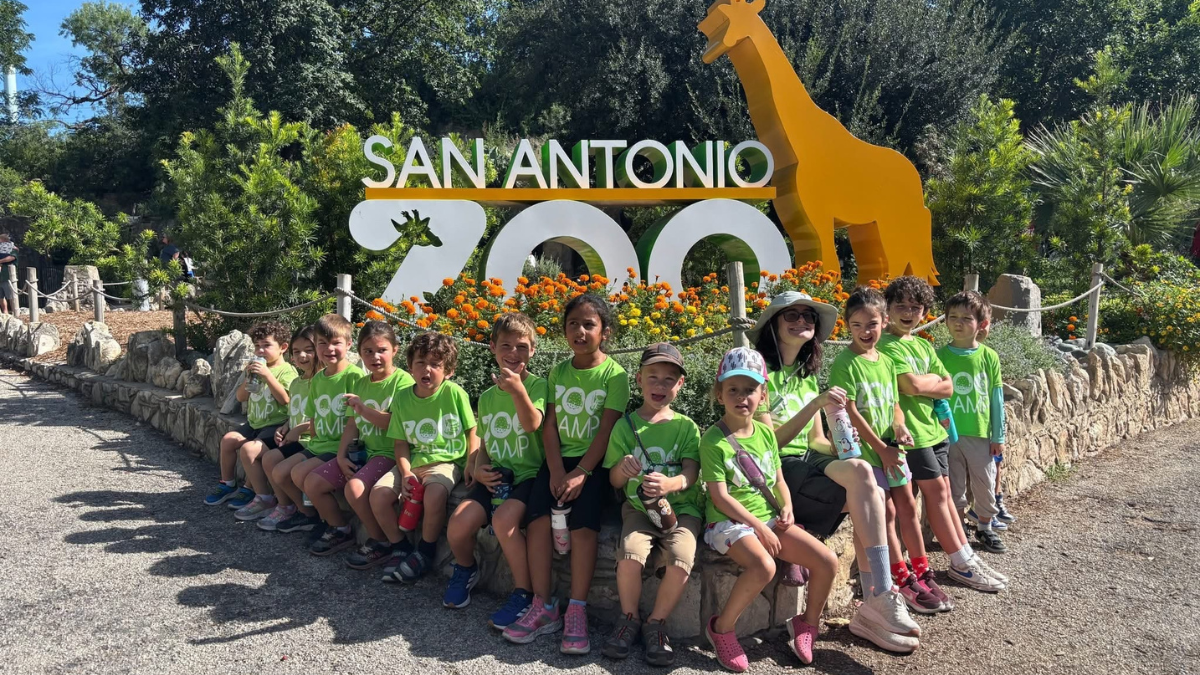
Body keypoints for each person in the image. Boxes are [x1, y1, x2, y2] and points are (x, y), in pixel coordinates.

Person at [749, 292, 920, 652]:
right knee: (866, 493)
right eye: (790, 315)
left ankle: (879, 591)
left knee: (864, 474)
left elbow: (817, 442)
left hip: (807, 460)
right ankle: (877, 597)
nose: (801, 321)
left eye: (808, 316)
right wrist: (816, 403)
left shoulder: (807, 375)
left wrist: (847, 447)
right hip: (776, 467)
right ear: (774, 324)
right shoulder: (760, 373)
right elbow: (771, 443)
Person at [503, 294, 629, 655]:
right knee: (538, 519)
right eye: (573, 323)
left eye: (589, 324)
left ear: (604, 332)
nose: (580, 330)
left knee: (584, 528)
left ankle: (577, 609)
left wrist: (581, 473)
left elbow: (606, 432)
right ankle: (544, 606)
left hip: (595, 466)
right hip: (558, 461)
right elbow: (550, 426)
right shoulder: (558, 371)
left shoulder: (614, 375)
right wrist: (557, 469)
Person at [701, 347, 838, 671]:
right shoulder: (713, 440)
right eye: (733, 389)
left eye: (750, 390)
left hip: (767, 517)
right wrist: (761, 528)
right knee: (764, 566)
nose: (742, 397)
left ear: (763, 395)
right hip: (727, 523)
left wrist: (787, 507)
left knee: (827, 561)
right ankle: (721, 629)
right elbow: (720, 498)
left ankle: (806, 623)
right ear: (719, 393)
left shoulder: (764, 433)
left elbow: (777, 480)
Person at [828, 287, 948, 627]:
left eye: (872, 324)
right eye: (857, 325)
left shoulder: (886, 360)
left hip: (893, 450)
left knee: (909, 505)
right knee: (886, 514)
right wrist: (880, 448)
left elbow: (894, 403)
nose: (866, 332)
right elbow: (849, 410)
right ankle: (898, 577)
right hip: (869, 455)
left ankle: (921, 570)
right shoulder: (845, 363)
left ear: (884, 322)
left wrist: (899, 427)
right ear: (847, 327)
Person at [880, 277, 1007, 595]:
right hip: (912, 435)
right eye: (901, 306)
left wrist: (928, 383)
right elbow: (911, 386)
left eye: (916, 306)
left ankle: (965, 557)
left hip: (934, 431)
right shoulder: (885, 345)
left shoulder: (922, 345)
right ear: (888, 309)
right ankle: (961, 562)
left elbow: (947, 386)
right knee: (937, 497)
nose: (909, 313)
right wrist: (929, 383)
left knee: (946, 498)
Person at [601, 342, 703, 667]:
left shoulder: (686, 427)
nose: (660, 385)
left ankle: (655, 624)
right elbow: (614, 481)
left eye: (669, 379)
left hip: (682, 510)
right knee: (630, 553)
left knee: (682, 556)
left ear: (680, 384)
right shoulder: (625, 426)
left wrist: (670, 484)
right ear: (638, 379)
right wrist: (623, 468)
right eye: (653, 377)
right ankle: (628, 618)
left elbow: (692, 472)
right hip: (639, 510)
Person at [443, 313, 545, 624]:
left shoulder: (539, 386)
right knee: (458, 524)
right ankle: (465, 568)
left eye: (522, 347)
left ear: (533, 351)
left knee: (503, 521)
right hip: (496, 477)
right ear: (492, 347)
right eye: (506, 346)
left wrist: (517, 390)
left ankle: (523, 593)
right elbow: (486, 440)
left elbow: (532, 424)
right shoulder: (487, 397)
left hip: (529, 476)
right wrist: (481, 466)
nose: (514, 353)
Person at [302, 321, 413, 560]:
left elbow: (396, 425)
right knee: (312, 483)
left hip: (389, 453)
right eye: (368, 351)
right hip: (364, 452)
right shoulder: (362, 383)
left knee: (354, 488)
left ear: (395, 350)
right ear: (359, 352)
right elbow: (352, 425)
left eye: (382, 350)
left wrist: (363, 410)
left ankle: (386, 542)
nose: (375, 357)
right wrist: (341, 456)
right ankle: (340, 529)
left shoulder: (403, 382)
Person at [384, 332, 478, 582]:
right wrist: (405, 473)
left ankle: (424, 551)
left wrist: (471, 461)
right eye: (420, 362)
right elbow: (401, 442)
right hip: (413, 462)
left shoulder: (454, 393)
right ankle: (399, 546)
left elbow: (473, 430)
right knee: (377, 494)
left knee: (435, 494)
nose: (427, 369)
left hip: (446, 461)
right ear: (410, 366)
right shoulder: (403, 397)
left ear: (448, 370)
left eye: (435, 364)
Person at [272, 314, 364, 535]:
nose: (329, 349)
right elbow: (313, 417)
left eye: (336, 343)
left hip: (338, 447)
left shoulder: (355, 377)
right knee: (280, 473)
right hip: (318, 444)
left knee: (300, 474)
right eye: (323, 343)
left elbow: (355, 422)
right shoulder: (319, 378)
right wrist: (309, 440)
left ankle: (335, 525)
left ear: (349, 344)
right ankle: (311, 516)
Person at [938, 291, 1010, 556]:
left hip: (980, 433)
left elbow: (996, 398)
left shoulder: (988, 357)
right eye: (953, 317)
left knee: (985, 482)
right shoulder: (939, 356)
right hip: (948, 434)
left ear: (980, 323)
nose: (958, 323)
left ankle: (984, 525)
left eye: (966, 318)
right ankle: (959, 530)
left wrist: (997, 435)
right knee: (954, 485)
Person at [204, 321, 296, 509]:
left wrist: (268, 377)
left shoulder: (287, 372)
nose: (260, 351)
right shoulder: (256, 370)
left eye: (267, 345)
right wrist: (249, 378)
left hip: (276, 425)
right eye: (257, 346)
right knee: (228, 440)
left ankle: (259, 494)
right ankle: (228, 484)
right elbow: (240, 397)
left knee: (250, 450)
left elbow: (286, 400)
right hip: (255, 424)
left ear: (283, 348)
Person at [257, 325, 319, 531]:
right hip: (298, 437)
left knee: (283, 469)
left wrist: (299, 430)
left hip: (312, 440)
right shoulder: (297, 382)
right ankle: (287, 506)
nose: (302, 356)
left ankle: (307, 513)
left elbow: (325, 420)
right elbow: (295, 412)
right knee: (269, 458)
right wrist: (285, 427)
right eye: (296, 351)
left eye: (308, 350)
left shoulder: (322, 381)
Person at [0, 233, 16, 315]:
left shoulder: (12, 249)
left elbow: (12, 257)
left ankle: (15, 312)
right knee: (0, 297)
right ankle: (5, 312)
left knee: (11, 296)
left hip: (7, 277)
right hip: (0, 278)